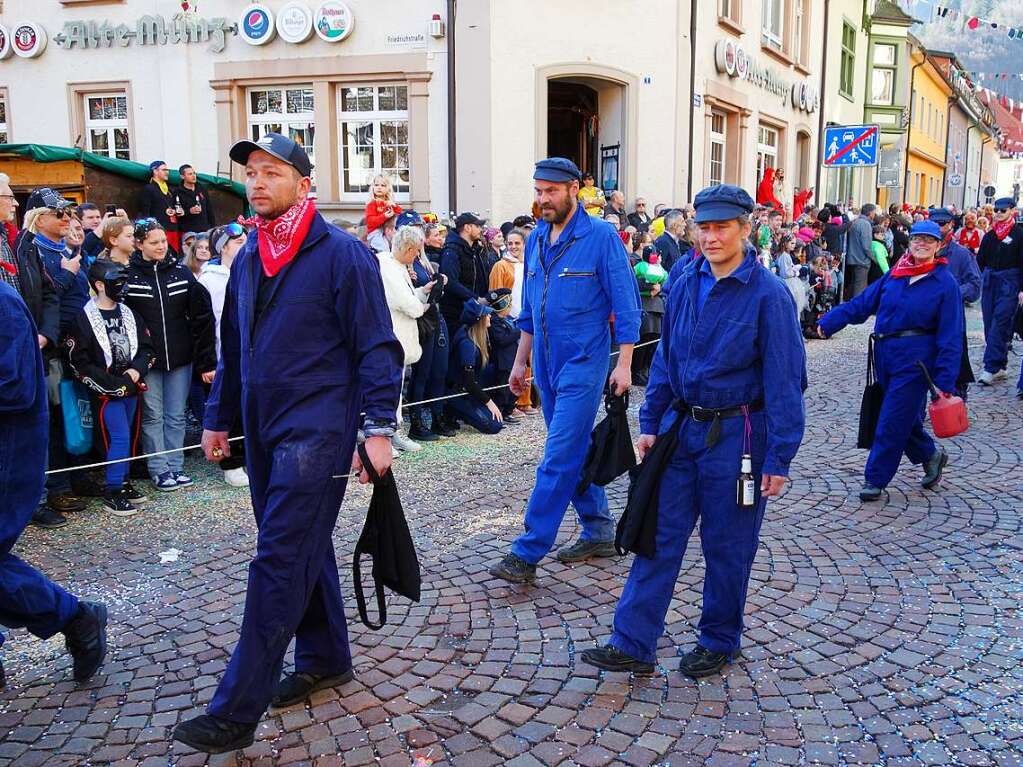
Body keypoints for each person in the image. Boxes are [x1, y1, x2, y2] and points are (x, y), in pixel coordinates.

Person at [172, 132, 403, 754]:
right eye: (250, 173)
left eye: (271, 172)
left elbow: (379, 349)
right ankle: (325, 655)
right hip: (263, 429)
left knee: (278, 558)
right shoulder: (248, 257)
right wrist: (218, 416)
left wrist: (377, 430)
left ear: (305, 184)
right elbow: (233, 348)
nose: (257, 182)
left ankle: (236, 709)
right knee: (301, 546)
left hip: (320, 433)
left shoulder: (343, 256)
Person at [580, 184, 806, 678]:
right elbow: (666, 358)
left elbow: (787, 380)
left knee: (728, 545)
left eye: (722, 226)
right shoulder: (685, 279)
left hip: (741, 435)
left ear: (746, 229)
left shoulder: (769, 297)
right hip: (682, 430)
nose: (710, 236)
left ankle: (720, 640)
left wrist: (779, 457)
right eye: (704, 226)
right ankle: (633, 641)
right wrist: (651, 421)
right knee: (657, 535)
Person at [488, 157, 641, 583]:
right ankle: (598, 529)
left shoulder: (602, 237)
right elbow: (531, 313)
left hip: (584, 363)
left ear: (574, 189)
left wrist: (624, 365)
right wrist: (520, 362)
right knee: (571, 451)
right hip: (546, 365)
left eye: (550, 191)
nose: (542, 199)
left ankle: (527, 551)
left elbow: (626, 305)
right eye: (537, 191)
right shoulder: (536, 239)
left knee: (557, 456)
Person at [0, 279, 109, 688]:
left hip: (10, 455)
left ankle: (74, 616)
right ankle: (75, 617)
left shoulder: (4, 305)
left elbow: (14, 388)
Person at [818, 221, 962, 502]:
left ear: (938, 245)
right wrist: (828, 322)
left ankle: (875, 478)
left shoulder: (944, 283)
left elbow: (951, 336)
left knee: (892, 420)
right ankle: (930, 455)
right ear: (909, 242)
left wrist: (945, 382)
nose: (922, 244)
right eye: (917, 239)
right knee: (900, 415)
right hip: (885, 357)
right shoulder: (895, 275)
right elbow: (862, 304)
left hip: (916, 362)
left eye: (928, 241)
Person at [123, 219, 216, 492]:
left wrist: (204, 357)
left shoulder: (181, 273)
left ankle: (175, 466)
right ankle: (158, 469)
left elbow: (201, 315)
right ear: (139, 244)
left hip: (180, 355)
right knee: (153, 415)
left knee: (175, 414)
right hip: (147, 360)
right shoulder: (129, 276)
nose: (161, 246)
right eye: (154, 242)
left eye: (163, 241)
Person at [22, 188, 96, 525]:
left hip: (72, 348)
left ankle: (73, 478)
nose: (67, 219)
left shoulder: (62, 250)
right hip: (50, 349)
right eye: (59, 214)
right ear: (40, 218)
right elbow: (44, 298)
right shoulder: (35, 250)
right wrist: (67, 274)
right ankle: (56, 487)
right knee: (52, 421)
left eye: (68, 214)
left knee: (73, 415)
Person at [65, 261, 154, 515]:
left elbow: (147, 347)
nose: (123, 288)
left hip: (132, 386)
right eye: (118, 283)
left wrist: (136, 371)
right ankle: (113, 488)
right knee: (118, 437)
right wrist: (113, 385)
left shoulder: (130, 314)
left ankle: (124, 481)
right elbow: (78, 363)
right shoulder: (82, 319)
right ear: (100, 285)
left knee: (131, 435)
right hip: (106, 392)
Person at [198, 223, 249, 488]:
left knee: (247, 409)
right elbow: (204, 325)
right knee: (227, 411)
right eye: (238, 243)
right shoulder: (208, 281)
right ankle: (230, 463)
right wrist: (209, 362)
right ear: (224, 247)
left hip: (247, 355)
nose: (244, 246)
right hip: (221, 357)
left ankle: (246, 458)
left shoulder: (249, 273)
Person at [377, 224, 433, 453]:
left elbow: (409, 298)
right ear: (409, 248)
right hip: (391, 335)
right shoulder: (387, 267)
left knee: (395, 385)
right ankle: (388, 434)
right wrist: (422, 304)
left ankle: (394, 431)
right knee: (388, 387)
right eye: (417, 251)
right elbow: (406, 303)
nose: (418, 256)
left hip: (399, 335)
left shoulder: (397, 265)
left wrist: (423, 290)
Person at [408, 221, 457, 439]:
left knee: (439, 370)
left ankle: (437, 417)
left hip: (435, 315)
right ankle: (416, 423)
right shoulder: (407, 263)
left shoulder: (424, 261)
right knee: (422, 373)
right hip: (422, 319)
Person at [976, 197, 1023, 386]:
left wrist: (1022, 289)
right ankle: (1001, 365)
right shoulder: (990, 235)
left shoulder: (1020, 234)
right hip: (990, 282)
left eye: (1003, 210)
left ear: (1012, 210)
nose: (998, 213)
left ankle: (991, 367)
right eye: (996, 210)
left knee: (1000, 323)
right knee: (989, 324)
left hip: (1010, 283)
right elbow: (980, 261)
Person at [446, 300, 504, 433]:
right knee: (494, 426)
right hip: (458, 393)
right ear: (479, 319)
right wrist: (489, 402)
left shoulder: (475, 338)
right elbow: (469, 382)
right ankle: (454, 411)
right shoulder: (467, 344)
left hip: (469, 391)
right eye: (486, 314)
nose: (489, 316)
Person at [439, 212, 489, 333]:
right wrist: (476, 298)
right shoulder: (452, 251)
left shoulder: (474, 250)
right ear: (467, 227)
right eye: (477, 226)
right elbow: (450, 283)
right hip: (457, 316)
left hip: (472, 312)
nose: (480, 229)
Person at [632, 245, 667, 386]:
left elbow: (666, 281)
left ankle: (646, 369)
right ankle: (637, 371)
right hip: (644, 304)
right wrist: (650, 286)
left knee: (654, 339)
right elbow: (634, 282)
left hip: (656, 305)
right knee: (643, 339)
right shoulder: (639, 267)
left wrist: (659, 287)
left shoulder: (659, 268)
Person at [136, 161, 180, 253]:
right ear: (155, 171)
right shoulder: (149, 188)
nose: (167, 172)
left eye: (167, 170)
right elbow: (145, 211)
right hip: (158, 230)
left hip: (172, 228)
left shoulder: (169, 190)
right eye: (164, 170)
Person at [364, 174, 403, 253]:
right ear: (373, 188)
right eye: (376, 185)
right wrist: (384, 216)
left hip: (388, 231)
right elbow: (370, 222)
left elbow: (399, 213)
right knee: (384, 250)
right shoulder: (372, 204)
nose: (379, 187)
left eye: (383, 185)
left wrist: (393, 205)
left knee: (398, 247)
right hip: (375, 232)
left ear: (388, 188)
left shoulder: (388, 203)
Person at [845, 203, 876, 299]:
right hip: (861, 260)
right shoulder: (865, 224)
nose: (874, 215)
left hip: (853, 258)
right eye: (874, 212)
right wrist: (874, 258)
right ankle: (856, 310)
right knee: (859, 288)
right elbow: (866, 246)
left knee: (854, 285)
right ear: (870, 213)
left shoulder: (856, 221)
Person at [175, 164, 217, 235]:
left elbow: (209, 209)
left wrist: (213, 228)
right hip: (188, 233)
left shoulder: (201, 188)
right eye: (190, 174)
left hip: (204, 231)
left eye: (194, 173)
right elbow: (176, 213)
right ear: (182, 176)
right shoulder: (178, 192)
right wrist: (189, 211)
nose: (194, 176)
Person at [654, 209, 686, 273]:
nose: (685, 224)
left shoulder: (675, 241)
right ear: (674, 226)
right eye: (682, 222)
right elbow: (658, 269)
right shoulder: (663, 242)